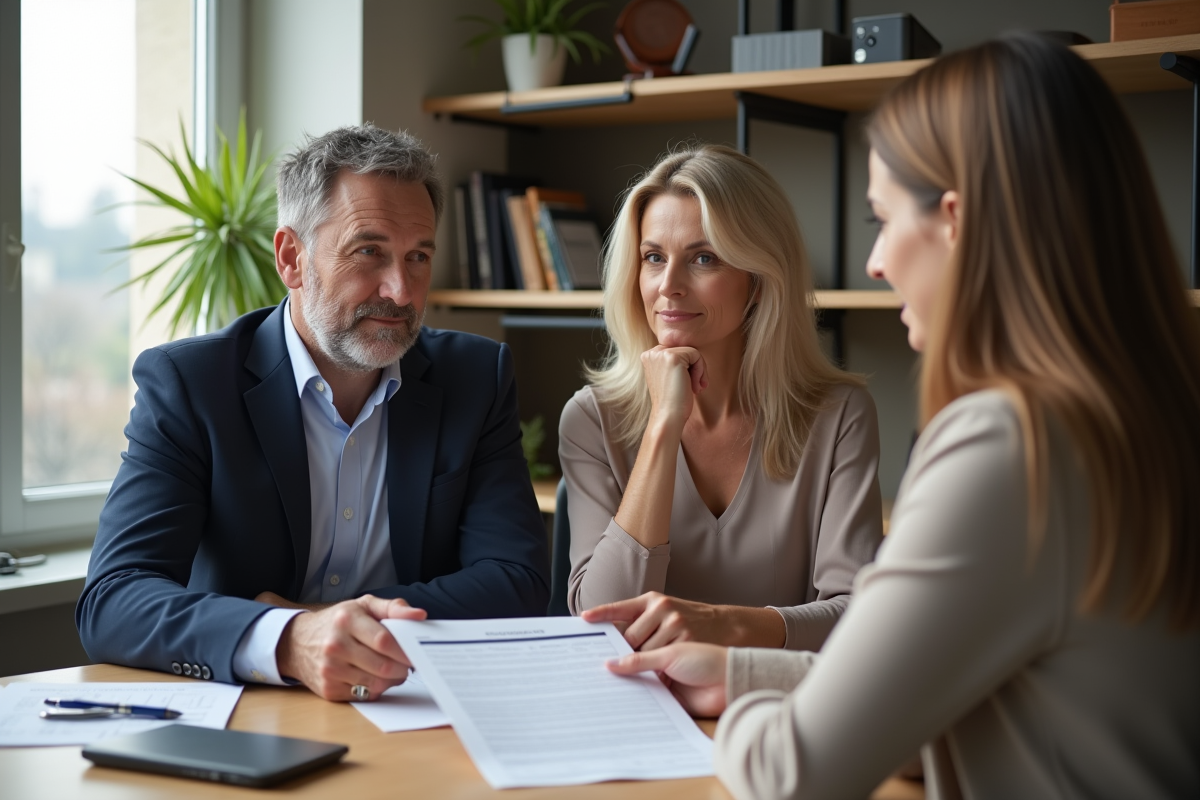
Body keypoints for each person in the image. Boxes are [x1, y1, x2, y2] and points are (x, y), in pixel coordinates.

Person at [606, 34, 1200, 799]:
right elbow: (977, 689)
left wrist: (739, 706)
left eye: (882, 219)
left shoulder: (1008, 446)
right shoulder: (1143, 414)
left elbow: (792, 773)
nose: (875, 262)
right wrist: (745, 672)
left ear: (955, 221)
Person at [77, 125, 550, 702]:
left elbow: (517, 582)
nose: (401, 291)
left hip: (411, 704)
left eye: (418, 257)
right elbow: (114, 599)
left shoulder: (475, 378)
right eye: (368, 251)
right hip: (253, 713)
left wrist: (325, 622)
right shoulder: (192, 385)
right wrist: (287, 640)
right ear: (291, 258)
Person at [560, 144, 883, 653]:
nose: (669, 286)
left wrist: (720, 627)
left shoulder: (839, 416)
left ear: (757, 281)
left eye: (703, 258)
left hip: (776, 695)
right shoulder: (590, 419)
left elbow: (858, 617)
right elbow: (602, 622)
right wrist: (663, 426)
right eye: (653, 258)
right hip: (638, 695)